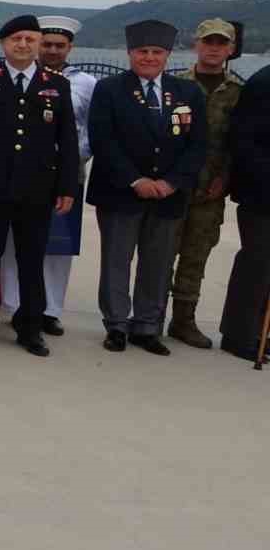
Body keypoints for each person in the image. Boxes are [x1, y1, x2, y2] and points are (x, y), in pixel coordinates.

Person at [87, 20, 207, 355]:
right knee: (116, 261)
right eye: (143, 51)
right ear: (130, 53)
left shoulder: (188, 93)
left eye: (157, 52)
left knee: (158, 262)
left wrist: (171, 182)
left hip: (168, 195)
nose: (149, 57)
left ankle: (147, 326)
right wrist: (136, 180)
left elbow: (198, 145)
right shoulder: (109, 89)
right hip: (121, 192)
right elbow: (103, 140)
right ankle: (116, 325)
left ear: (168, 55)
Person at [0, 16, 79, 357]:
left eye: (31, 39)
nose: (24, 45)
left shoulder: (56, 85)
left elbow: (67, 139)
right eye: (16, 39)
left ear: (39, 43)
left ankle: (30, 327)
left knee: (32, 260)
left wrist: (67, 187)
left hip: (37, 188)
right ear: (3, 44)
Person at [0, 16, 96, 336]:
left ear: (70, 48)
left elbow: (85, 130)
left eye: (60, 45)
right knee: (17, 245)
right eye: (48, 44)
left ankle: (51, 309)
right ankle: (16, 305)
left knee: (58, 247)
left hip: (68, 174)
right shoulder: (24, 76)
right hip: (24, 174)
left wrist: (67, 163)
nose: (53, 51)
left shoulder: (84, 83)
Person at [168, 19, 245, 348]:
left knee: (195, 257)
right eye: (208, 41)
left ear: (230, 49)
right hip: (174, 187)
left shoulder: (239, 92)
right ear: (196, 45)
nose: (214, 48)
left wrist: (225, 178)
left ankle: (183, 320)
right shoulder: (176, 85)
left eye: (221, 43)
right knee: (160, 254)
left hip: (211, 191)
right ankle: (149, 315)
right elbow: (168, 136)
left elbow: (240, 142)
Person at [217, 64, 270, 362]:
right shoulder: (264, 83)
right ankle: (239, 335)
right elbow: (245, 141)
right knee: (258, 263)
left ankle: (263, 332)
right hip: (261, 194)